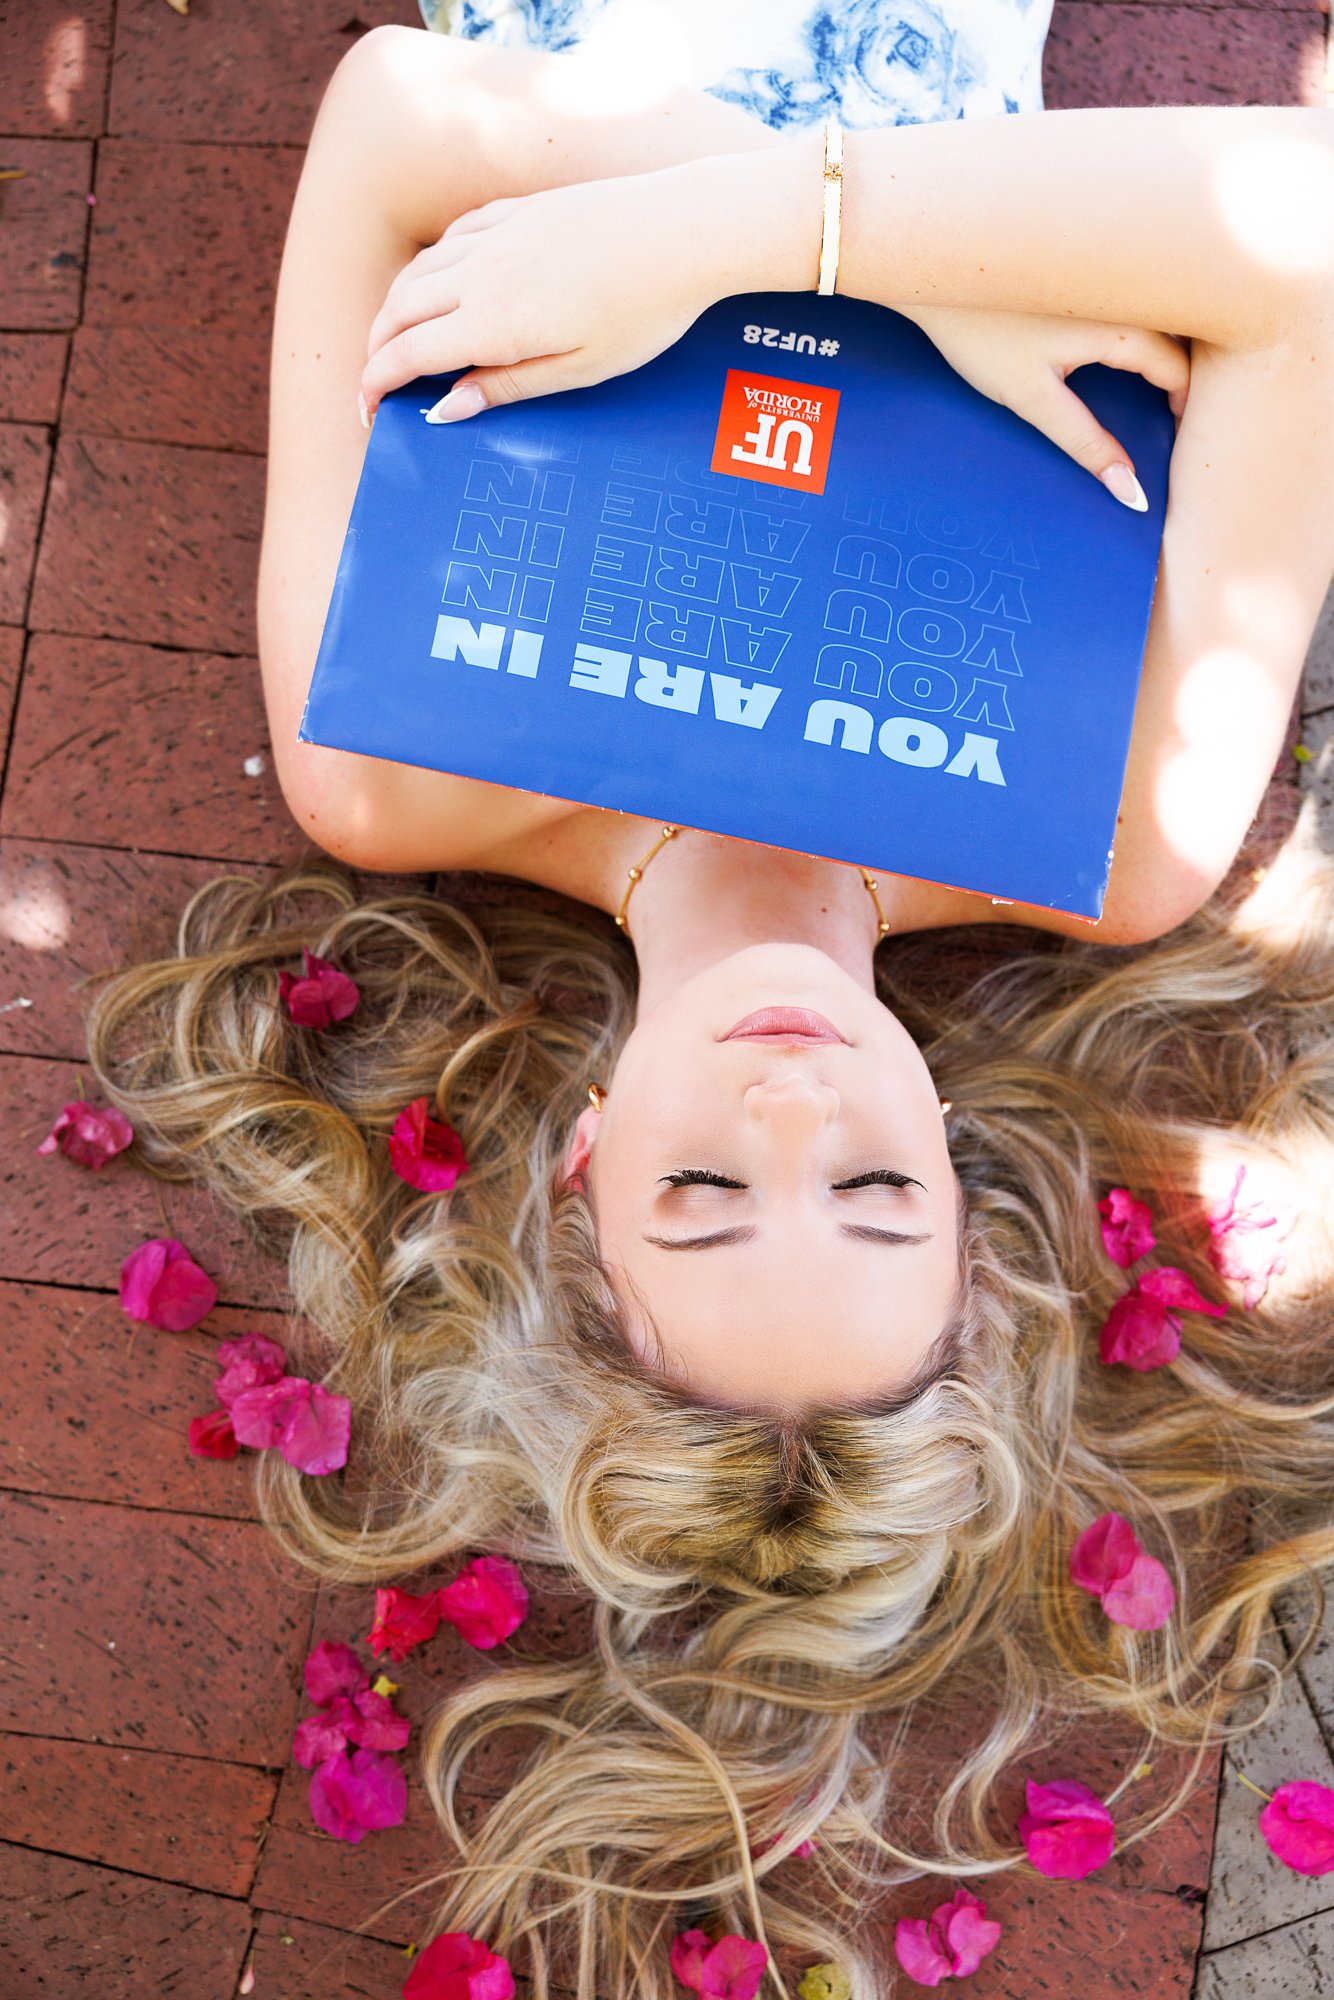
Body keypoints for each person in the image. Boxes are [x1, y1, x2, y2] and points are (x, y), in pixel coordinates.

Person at [84, 14, 1334, 1995]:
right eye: (870, 1198)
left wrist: (800, 255)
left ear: (578, 1173)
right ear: (963, 1178)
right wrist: (858, 261)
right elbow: (1300, 234)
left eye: (700, 1201)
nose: (793, 1114)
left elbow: (403, 113)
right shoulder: (1110, 828)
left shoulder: (396, 763)